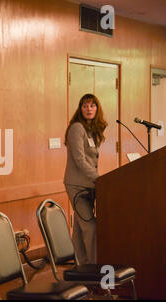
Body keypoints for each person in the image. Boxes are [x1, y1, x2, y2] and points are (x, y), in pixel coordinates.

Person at [64, 93, 107, 265]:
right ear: (80, 109)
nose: (89, 109)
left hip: (88, 185)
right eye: (85, 106)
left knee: (80, 229)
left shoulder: (90, 130)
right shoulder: (77, 128)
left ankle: (80, 266)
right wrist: (99, 178)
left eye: (92, 105)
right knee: (90, 226)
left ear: (97, 108)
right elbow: (79, 159)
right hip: (77, 186)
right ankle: (93, 267)